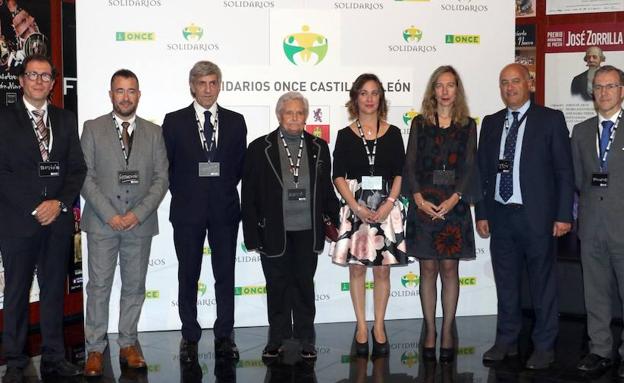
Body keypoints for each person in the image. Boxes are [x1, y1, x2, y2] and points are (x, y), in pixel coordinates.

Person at [476, 63, 574, 369]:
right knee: (506, 283)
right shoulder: (491, 123)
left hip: (538, 218)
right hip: (501, 216)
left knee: (542, 283)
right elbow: (481, 173)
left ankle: (544, 345)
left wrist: (562, 215)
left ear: (529, 83)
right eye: (504, 82)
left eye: (515, 81)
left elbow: (563, 171)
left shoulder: (550, 120)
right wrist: (482, 212)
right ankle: (506, 340)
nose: (510, 88)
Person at [0, 54, 86, 382]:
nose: (39, 81)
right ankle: (16, 359)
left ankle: (53, 356)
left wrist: (59, 203)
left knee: (53, 291)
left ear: (52, 83)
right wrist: (38, 206)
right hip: (18, 222)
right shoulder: (5, 119)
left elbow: (76, 168)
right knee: (18, 291)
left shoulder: (65, 120)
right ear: (21, 80)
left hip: (58, 222)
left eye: (46, 76)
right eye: (33, 75)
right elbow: (3, 173)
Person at [80, 69, 169, 376]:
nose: (126, 96)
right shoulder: (92, 128)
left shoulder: (154, 132)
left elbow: (161, 179)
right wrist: (111, 215)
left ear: (139, 95)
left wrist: (136, 215)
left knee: (134, 287)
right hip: (103, 224)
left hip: (139, 224)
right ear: (111, 95)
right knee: (99, 287)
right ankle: (94, 349)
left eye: (131, 91)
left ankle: (128, 343)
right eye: (120, 91)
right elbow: (86, 177)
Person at [241, 91, 339, 360]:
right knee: (277, 284)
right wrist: (251, 234)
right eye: (289, 112)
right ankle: (277, 337)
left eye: (299, 113)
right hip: (273, 229)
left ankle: (306, 337)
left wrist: (335, 220)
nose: (295, 118)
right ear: (279, 115)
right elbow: (247, 194)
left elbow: (327, 189)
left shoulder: (320, 147)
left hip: (308, 230)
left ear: (306, 116)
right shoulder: (259, 148)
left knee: (304, 285)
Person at [162, 60, 247, 362]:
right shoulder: (173, 121)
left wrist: (217, 189)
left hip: (224, 210)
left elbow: (238, 168)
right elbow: (167, 168)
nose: (208, 89)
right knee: (189, 274)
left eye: (213, 83)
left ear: (219, 85)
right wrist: (189, 194)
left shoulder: (236, 121)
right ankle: (190, 335)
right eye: (202, 83)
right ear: (192, 86)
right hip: (187, 212)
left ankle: (225, 334)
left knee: (225, 274)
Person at [330, 73, 410, 357]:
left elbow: (401, 172)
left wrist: (390, 202)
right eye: (363, 93)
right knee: (357, 269)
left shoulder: (394, 133)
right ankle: (362, 326)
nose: (369, 98)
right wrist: (355, 206)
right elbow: (337, 175)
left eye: (374, 93)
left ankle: (379, 326)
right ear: (355, 98)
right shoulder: (344, 134)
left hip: (387, 208)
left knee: (382, 270)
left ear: (381, 98)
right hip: (356, 208)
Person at [403, 65, 479, 363]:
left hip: (454, 206)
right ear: (432, 90)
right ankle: (430, 329)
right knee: (427, 270)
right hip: (424, 206)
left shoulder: (468, 125)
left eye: (450, 85)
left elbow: (469, 165)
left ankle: (447, 329)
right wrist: (418, 199)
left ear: (457, 90)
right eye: (440, 85)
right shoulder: (420, 124)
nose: (445, 91)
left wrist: (455, 197)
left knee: (450, 270)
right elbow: (410, 164)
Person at [573, 65, 624, 377]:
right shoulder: (580, 131)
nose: (604, 92)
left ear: (622, 90)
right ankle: (601, 350)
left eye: (611, 86)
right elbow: (579, 180)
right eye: (599, 87)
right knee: (594, 292)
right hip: (591, 226)